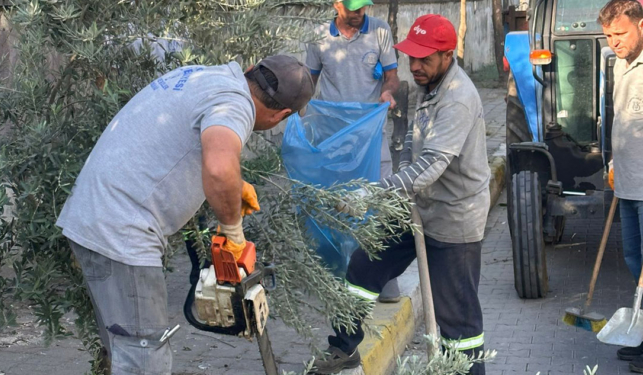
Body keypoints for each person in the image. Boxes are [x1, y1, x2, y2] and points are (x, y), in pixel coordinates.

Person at [56, 55, 314, 374]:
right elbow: (218, 169)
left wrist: (236, 182)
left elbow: (178, 146)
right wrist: (233, 232)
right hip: (123, 231)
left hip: (95, 216)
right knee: (144, 356)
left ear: (251, 71)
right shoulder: (235, 104)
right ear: (281, 116)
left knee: (124, 347)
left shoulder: (203, 76)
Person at [312, 14, 490, 375]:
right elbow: (415, 140)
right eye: (412, 57)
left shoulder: (458, 98)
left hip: (454, 218)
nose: (416, 66)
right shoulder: (429, 86)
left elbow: (432, 165)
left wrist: (374, 193)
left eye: (425, 58)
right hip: (418, 208)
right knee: (364, 266)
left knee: (457, 322)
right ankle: (345, 347)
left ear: (447, 55)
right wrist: (401, 166)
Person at [305, 0, 403, 303]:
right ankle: (340, 275)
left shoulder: (380, 31)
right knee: (338, 203)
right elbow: (309, 81)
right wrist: (299, 116)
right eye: (353, 9)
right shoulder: (319, 36)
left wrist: (388, 91)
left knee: (378, 201)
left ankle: (385, 279)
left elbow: (392, 76)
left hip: (371, 136)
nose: (360, 14)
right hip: (334, 138)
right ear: (337, 5)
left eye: (363, 7)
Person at [598, 0, 643, 372]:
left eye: (621, 33)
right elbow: (625, 122)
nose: (614, 42)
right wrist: (615, 162)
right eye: (609, 35)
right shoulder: (620, 64)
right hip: (628, 185)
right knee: (635, 262)